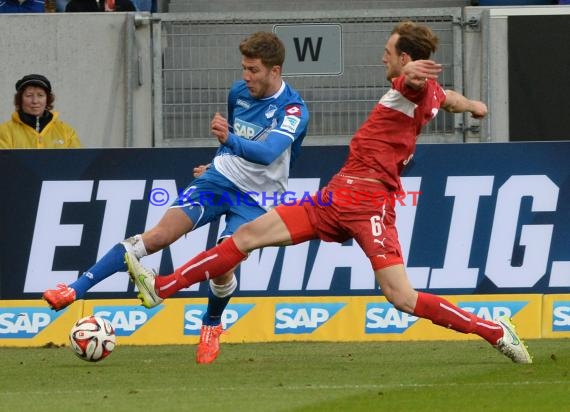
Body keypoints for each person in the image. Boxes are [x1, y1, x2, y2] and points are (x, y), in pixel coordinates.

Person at [126, 21, 532, 364]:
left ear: (405, 60)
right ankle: (162, 287)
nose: (383, 58)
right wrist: (476, 104)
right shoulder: (430, 94)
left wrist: (412, 78)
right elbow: (451, 100)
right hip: (337, 194)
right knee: (244, 238)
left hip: (368, 201)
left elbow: (411, 82)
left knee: (401, 297)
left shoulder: (406, 86)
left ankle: (493, 330)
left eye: (389, 52)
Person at [42, 32, 310, 364]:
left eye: (253, 70)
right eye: (243, 68)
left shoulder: (293, 109)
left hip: (257, 199)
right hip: (219, 180)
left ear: (275, 70)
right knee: (158, 236)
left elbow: (269, 153)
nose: (246, 77)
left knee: (223, 266)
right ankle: (74, 289)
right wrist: (217, 161)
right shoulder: (238, 93)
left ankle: (211, 323)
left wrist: (229, 140)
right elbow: (232, 142)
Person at [0, 74, 81, 149]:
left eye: (40, 95)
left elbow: (78, 161)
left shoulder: (66, 131)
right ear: (20, 99)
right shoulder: (5, 131)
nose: (35, 101)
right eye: (29, 95)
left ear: (47, 99)